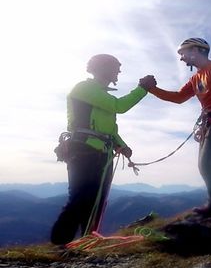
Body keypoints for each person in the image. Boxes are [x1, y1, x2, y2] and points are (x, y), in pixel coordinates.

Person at [51, 54, 156, 245]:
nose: (119, 71)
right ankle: (59, 243)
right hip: (84, 150)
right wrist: (142, 89)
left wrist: (121, 146)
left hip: (99, 152)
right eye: (116, 67)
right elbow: (119, 106)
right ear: (102, 68)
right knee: (81, 197)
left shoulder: (101, 94)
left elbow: (110, 130)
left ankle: (86, 240)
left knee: (96, 200)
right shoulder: (84, 89)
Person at [146, 37, 211, 217]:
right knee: (207, 163)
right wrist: (152, 89)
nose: (181, 58)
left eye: (183, 53)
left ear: (197, 50)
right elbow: (178, 97)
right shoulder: (196, 77)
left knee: (207, 163)